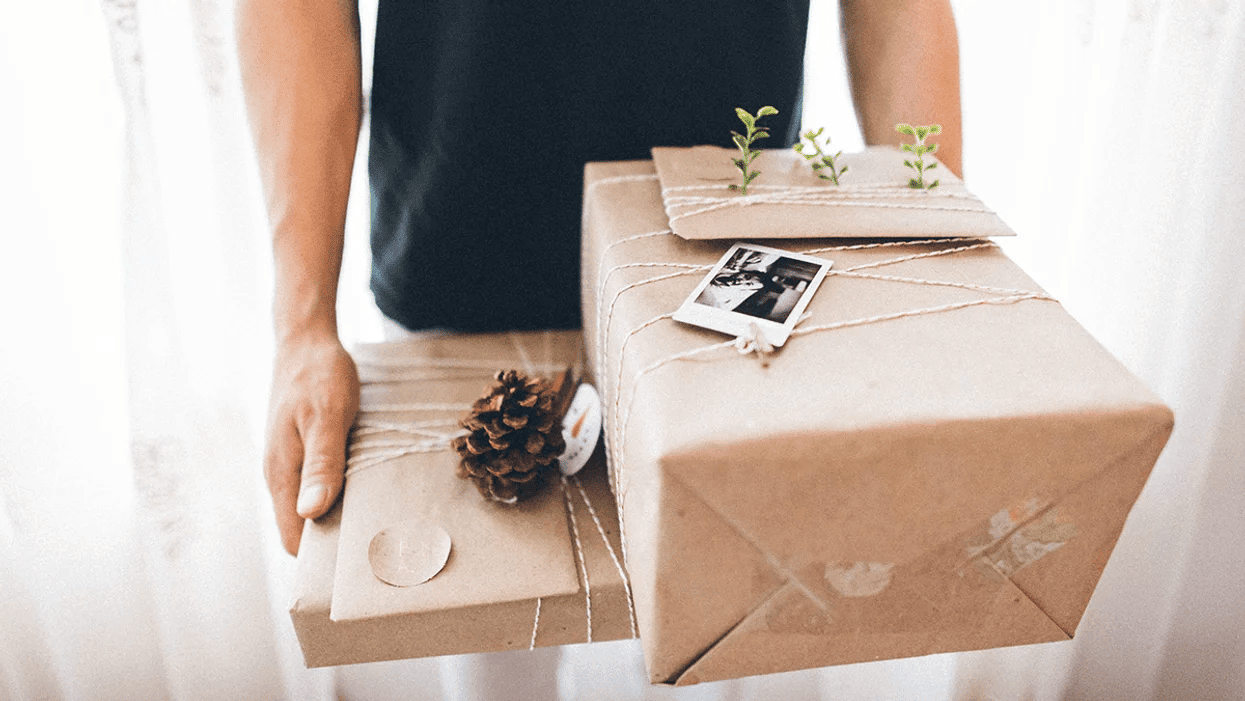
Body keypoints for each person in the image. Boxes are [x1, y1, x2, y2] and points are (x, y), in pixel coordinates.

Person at [237, 0, 963, 555]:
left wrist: (938, 281)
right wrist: (302, 327)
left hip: (728, 280)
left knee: (737, 628)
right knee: (491, 661)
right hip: (460, 273)